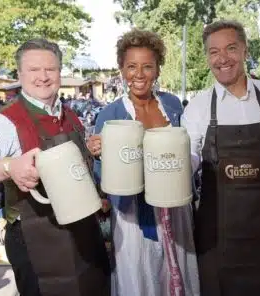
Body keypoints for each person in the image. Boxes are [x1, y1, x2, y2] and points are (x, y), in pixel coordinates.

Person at [0, 39, 110, 296]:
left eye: (50, 69)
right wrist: (9, 166)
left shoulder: (70, 116)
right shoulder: (4, 122)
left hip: (85, 234)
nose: (43, 76)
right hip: (38, 240)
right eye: (34, 69)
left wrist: (92, 153)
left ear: (59, 73)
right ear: (20, 74)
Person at [181, 20, 260, 295]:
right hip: (217, 233)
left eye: (231, 48)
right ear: (207, 57)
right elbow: (190, 156)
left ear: (245, 51)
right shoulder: (198, 107)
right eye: (214, 52)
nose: (222, 58)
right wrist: (172, 168)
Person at [87, 29, 199, 296]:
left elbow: (188, 152)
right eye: (131, 66)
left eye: (147, 66)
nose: (139, 74)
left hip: (175, 207)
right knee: (141, 279)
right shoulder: (110, 113)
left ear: (158, 69)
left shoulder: (172, 106)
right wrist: (98, 153)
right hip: (133, 216)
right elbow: (103, 176)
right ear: (122, 69)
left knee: (180, 273)